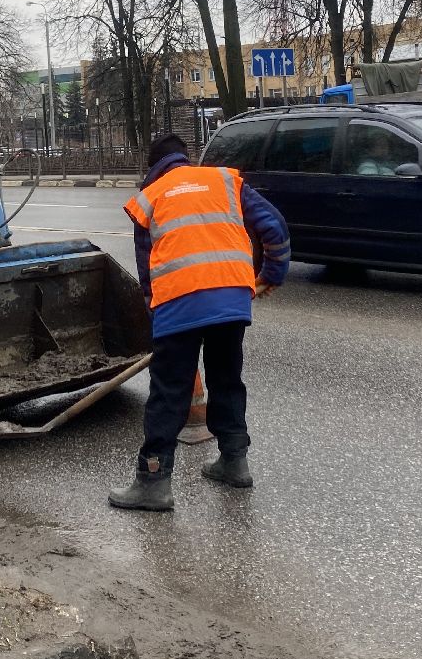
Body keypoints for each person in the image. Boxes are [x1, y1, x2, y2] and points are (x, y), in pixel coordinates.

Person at [109, 132, 290, 511]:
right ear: (186, 158)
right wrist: (271, 274)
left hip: (179, 303)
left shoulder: (151, 198)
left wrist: (154, 312)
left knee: (169, 391)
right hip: (231, 300)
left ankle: (154, 482)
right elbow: (274, 225)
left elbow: (148, 270)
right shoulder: (224, 181)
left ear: (153, 167)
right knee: (227, 378)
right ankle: (234, 461)